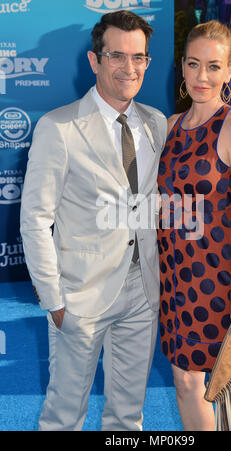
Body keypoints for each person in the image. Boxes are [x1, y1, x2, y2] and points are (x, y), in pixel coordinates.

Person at [20, 10, 167, 431]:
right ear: (94, 60)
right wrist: (55, 300)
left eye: (139, 57)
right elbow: (35, 219)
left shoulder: (156, 123)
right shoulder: (59, 127)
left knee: (127, 417)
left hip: (142, 291)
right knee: (64, 417)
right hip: (80, 296)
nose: (129, 67)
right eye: (117, 56)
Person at [157, 20, 231, 431]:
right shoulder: (168, 127)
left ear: (230, 70)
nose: (202, 77)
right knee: (185, 381)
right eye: (194, 64)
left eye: (214, 66)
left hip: (220, 278)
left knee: (230, 390)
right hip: (177, 278)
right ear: (181, 67)